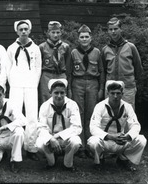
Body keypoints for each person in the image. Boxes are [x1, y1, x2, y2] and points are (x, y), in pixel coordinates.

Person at [87, 80, 147, 171]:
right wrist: (110, 136)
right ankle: (99, 159)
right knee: (93, 142)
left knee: (141, 140)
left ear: (122, 93)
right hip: (105, 140)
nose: (115, 96)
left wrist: (127, 136)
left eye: (118, 93)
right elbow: (93, 127)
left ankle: (123, 159)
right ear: (107, 93)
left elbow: (135, 125)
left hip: (121, 141)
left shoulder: (127, 107)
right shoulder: (100, 106)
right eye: (112, 93)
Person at [6, 19, 42, 160]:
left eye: (25, 29)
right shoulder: (11, 48)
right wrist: (13, 81)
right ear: (17, 31)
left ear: (29, 30)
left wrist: (33, 82)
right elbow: (8, 68)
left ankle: (31, 147)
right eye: (20, 29)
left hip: (31, 85)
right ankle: (15, 146)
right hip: (16, 85)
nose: (23, 31)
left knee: (32, 115)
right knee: (15, 114)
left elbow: (38, 68)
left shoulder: (35, 48)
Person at [69, 24, 105, 158]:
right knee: (79, 114)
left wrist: (101, 88)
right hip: (77, 83)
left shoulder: (97, 52)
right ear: (78, 39)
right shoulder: (74, 52)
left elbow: (101, 71)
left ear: (91, 38)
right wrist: (70, 90)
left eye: (86, 37)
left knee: (91, 114)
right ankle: (81, 147)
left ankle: (91, 146)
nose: (84, 39)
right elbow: (69, 73)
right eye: (81, 37)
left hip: (92, 83)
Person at [36, 79, 82, 171]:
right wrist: (51, 139)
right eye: (56, 93)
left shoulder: (72, 105)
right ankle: (51, 162)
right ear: (50, 93)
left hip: (66, 138)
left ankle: (67, 163)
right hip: (51, 140)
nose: (59, 96)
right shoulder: (45, 106)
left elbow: (77, 127)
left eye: (62, 93)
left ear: (66, 93)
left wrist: (59, 136)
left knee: (76, 141)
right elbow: (41, 127)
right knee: (39, 143)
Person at [101, 17, 143, 110]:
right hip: (110, 88)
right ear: (108, 31)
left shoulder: (131, 47)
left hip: (127, 88)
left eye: (115, 29)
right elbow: (103, 70)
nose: (113, 32)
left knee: (128, 113)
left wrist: (134, 84)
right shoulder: (105, 49)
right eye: (110, 29)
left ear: (121, 29)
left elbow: (138, 68)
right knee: (110, 114)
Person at [38, 21, 71, 108]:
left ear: (61, 33)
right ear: (48, 33)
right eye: (53, 32)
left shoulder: (65, 47)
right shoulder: (42, 47)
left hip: (61, 75)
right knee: (46, 99)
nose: (55, 35)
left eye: (58, 32)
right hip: (47, 75)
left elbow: (68, 65)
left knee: (61, 98)